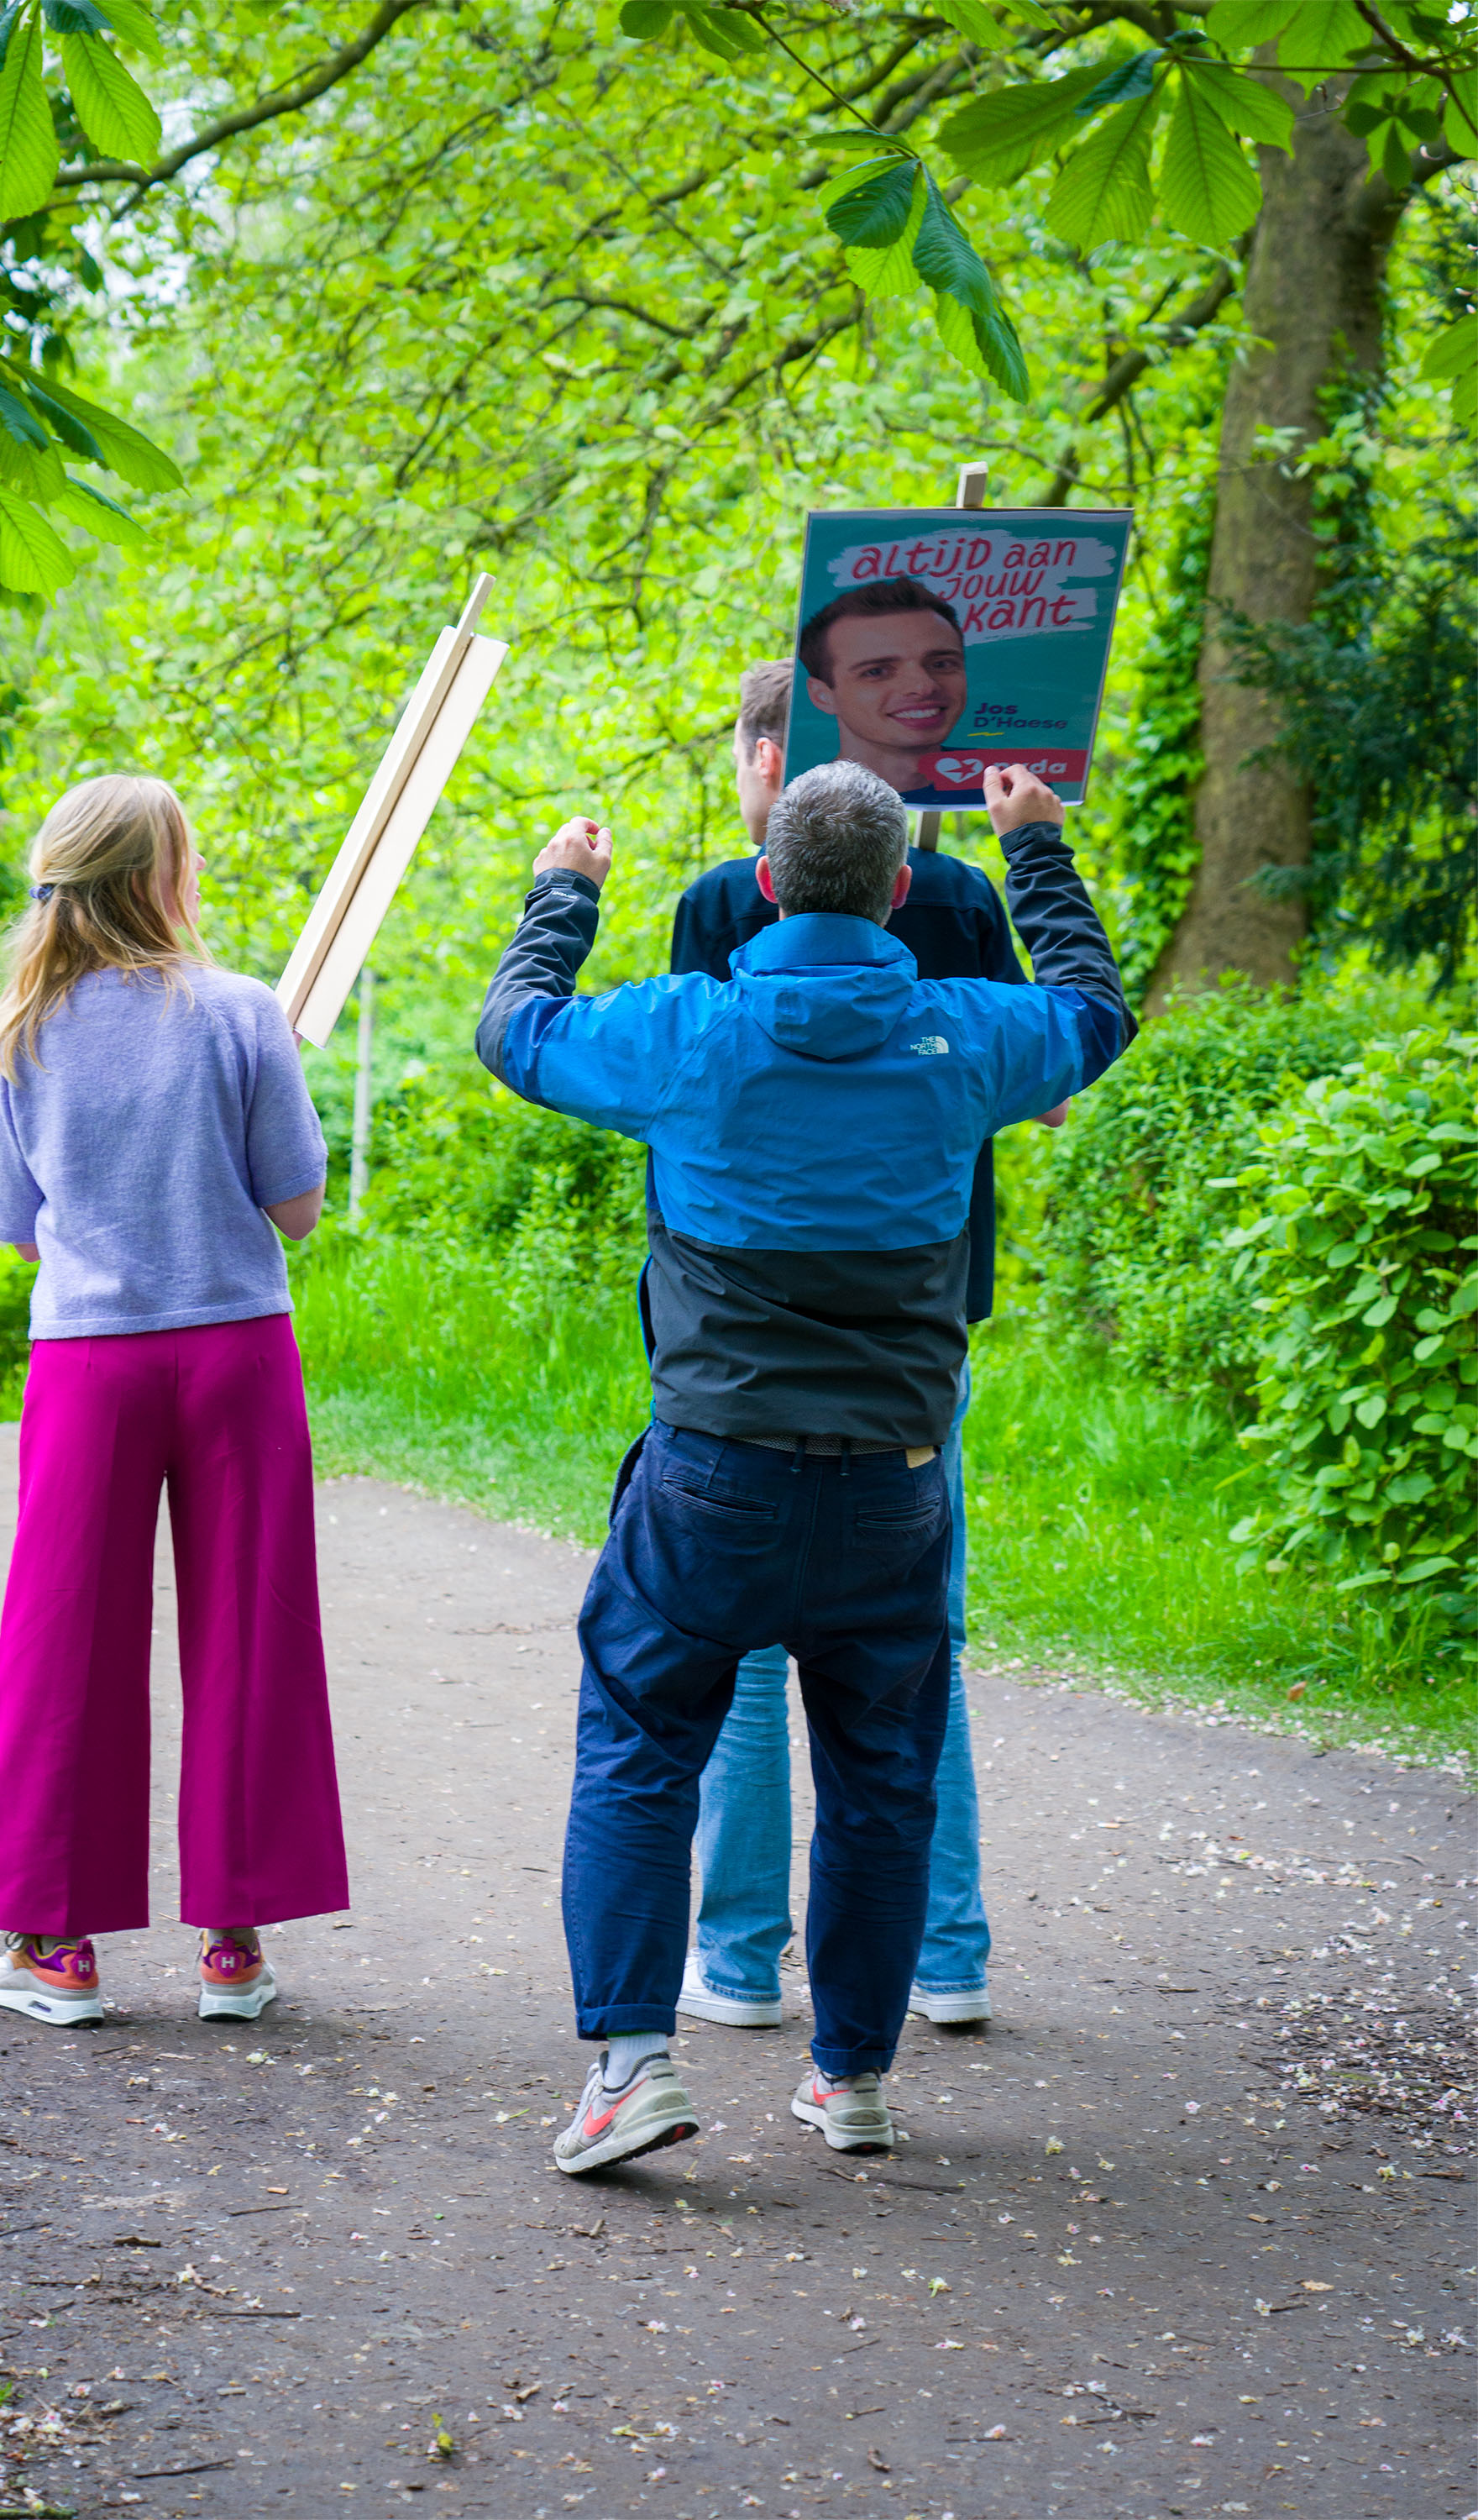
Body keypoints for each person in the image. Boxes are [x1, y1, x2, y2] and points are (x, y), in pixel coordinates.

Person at [475, 757, 1131, 2172]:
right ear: (899, 891)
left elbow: (517, 1033)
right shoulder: (968, 1035)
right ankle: (852, 2080)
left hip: (712, 1477)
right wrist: (1036, 850)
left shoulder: (685, 1031)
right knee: (883, 1782)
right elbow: (1094, 1010)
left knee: (642, 1745)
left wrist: (563, 894)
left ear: (766, 884)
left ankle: (632, 2068)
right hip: (896, 1486)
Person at [669, 661, 1067, 2034]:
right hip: (919, 1323)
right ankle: (944, 1958)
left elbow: (689, 1091)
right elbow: (1048, 1093)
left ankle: (738, 1961)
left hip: (742, 1331)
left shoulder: (721, 904)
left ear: (762, 763)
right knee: (915, 1645)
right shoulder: (959, 897)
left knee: (743, 1654)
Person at [0, 774, 348, 2029]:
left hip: (91, 1363)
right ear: (159, 877)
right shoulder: (242, 1012)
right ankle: (233, 1945)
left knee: (65, 1637)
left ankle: (57, 1950)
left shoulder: (19, 1030)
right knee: (251, 1629)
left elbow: (14, 1226)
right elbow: (298, 1207)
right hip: (237, 1352)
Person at [798, 577, 969, 801]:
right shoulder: (805, 804)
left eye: (941, 664)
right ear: (822, 696)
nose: (924, 687)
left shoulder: (997, 778)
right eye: (876, 671)